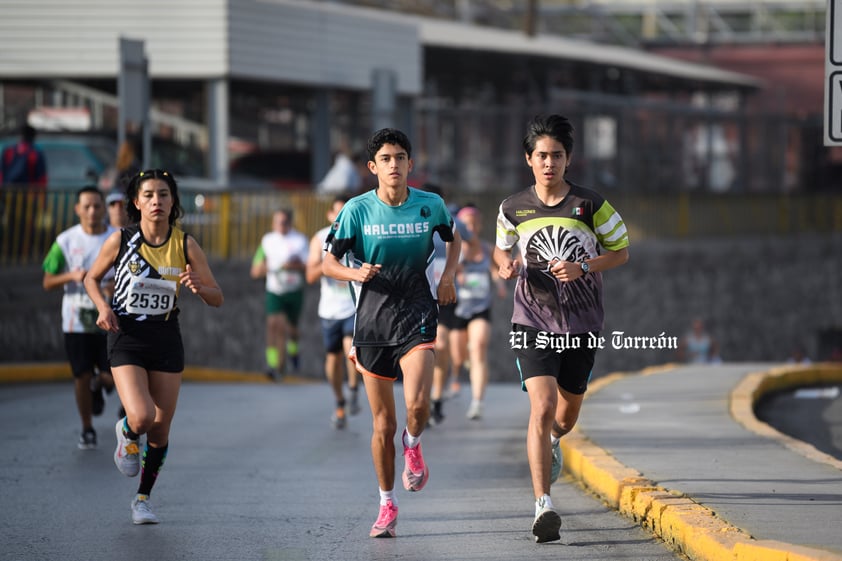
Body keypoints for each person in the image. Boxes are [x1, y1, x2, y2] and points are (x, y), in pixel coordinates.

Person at [494, 114, 629, 543]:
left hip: (582, 322)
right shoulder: (512, 207)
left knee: (565, 417)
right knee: (542, 404)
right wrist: (507, 266)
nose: (548, 163)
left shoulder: (590, 204)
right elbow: (501, 254)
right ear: (528, 160)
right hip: (531, 317)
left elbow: (622, 251)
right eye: (541, 156)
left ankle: (554, 440)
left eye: (556, 155)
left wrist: (583, 264)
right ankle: (543, 504)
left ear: (568, 160)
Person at [322, 128, 460, 538]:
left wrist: (448, 277)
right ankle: (386, 504)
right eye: (385, 158)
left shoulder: (430, 205)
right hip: (372, 323)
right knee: (382, 425)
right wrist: (354, 271)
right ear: (372, 167)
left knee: (417, 405)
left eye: (400, 157)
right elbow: (328, 263)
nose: (394, 165)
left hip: (417, 313)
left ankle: (413, 444)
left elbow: (454, 241)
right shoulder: (356, 211)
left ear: (410, 164)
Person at [83, 169, 223, 525]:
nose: (156, 201)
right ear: (136, 202)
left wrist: (199, 287)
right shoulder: (121, 240)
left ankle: (142, 499)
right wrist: (102, 306)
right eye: (148, 195)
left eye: (163, 194)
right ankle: (127, 432)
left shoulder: (185, 244)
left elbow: (217, 297)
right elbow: (91, 278)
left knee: (160, 430)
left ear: (173, 201)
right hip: (126, 332)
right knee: (142, 417)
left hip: (165, 336)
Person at [42, 186, 117, 449]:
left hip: (110, 317)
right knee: (81, 375)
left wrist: (112, 287)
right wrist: (71, 276)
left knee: (114, 374)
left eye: (97, 205)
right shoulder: (65, 241)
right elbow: (48, 280)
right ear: (77, 210)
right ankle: (87, 428)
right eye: (86, 206)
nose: (92, 211)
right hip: (76, 318)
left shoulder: (116, 238)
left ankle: (101, 383)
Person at [305, 195, 361, 429]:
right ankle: (339, 401)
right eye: (336, 213)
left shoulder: (358, 234)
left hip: (352, 307)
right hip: (329, 310)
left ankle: (353, 388)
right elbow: (310, 276)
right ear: (330, 215)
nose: (340, 218)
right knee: (332, 359)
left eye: (344, 214)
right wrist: (329, 263)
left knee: (349, 347)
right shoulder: (319, 238)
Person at [418, 183, 471, 426]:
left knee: (441, 347)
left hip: (446, 293)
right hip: (419, 295)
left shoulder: (452, 222)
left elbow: (467, 244)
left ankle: (436, 398)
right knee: (427, 351)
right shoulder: (414, 219)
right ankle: (424, 401)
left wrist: (455, 271)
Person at [451, 204, 505, 420]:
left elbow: (494, 269)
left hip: (480, 307)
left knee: (479, 347)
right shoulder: (453, 248)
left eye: (474, 224)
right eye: (466, 224)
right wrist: (456, 271)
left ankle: (477, 402)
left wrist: (499, 283)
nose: (470, 228)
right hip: (457, 308)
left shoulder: (487, 249)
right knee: (457, 355)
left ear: (480, 225)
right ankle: (460, 366)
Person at [250, 208, 309, 379]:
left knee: (292, 329)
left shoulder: (299, 240)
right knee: (273, 325)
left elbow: (307, 265)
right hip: (275, 289)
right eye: (277, 222)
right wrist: (265, 268)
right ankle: (273, 365)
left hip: (294, 289)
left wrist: (290, 266)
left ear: (290, 223)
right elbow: (255, 269)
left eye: (283, 222)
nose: (280, 225)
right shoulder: (267, 240)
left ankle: (294, 350)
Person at [1, 124, 47, 188]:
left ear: (21, 136)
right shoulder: (35, 153)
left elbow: (2, 174)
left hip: (9, 192)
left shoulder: (9, 151)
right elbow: (41, 177)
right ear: (34, 137)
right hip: (28, 193)